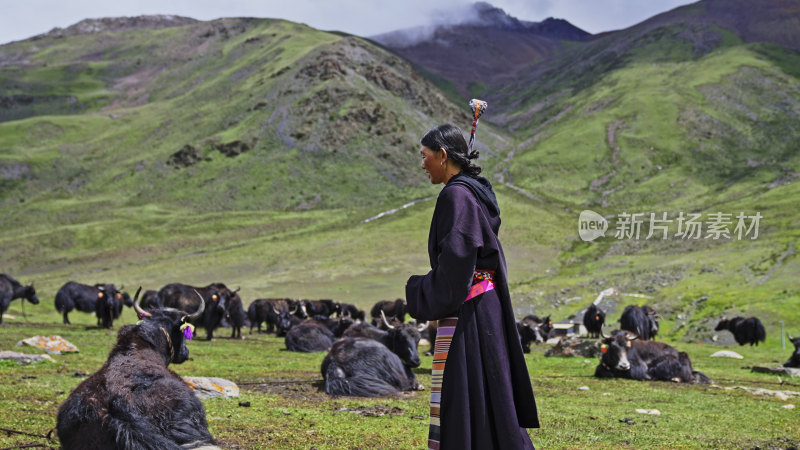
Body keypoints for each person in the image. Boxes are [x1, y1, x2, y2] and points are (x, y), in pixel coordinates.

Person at [406, 124, 539, 450]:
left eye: (425, 157)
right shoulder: (474, 193)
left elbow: (458, 263)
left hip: (469, 313)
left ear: (443, 155)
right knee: (487, 396)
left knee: (465, 394)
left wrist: (418, 289)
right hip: (483, 308)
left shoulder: (456, 195)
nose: (422, 165)